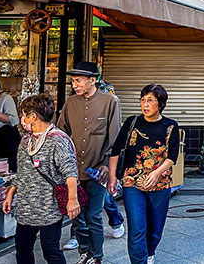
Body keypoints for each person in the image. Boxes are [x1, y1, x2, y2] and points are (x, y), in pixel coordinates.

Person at [57, 62, 122, 264]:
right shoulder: (70, 103)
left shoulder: (110, 101)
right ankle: (84, 252)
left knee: (93, 215)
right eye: (73, 81)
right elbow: (61, 134)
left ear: (92, 80)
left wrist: (107, 166)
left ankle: (97, 256)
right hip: (73, 171)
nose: (74, 84)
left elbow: (115, 138)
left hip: (98, 170)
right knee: (76, 216)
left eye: (78, 80)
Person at [3, 93, 80, 264]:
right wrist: (10, 194)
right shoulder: (25, 140)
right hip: (26, 206)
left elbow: (70, 172)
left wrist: (72, 200)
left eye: (24, 114)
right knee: (22, 250)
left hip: (49, 207)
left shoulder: (58, 140)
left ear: (32, 116)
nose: (22, 118)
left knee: (51, 250)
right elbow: (22, 172)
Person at [108, 84, 180, 264]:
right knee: (136, 227)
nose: (145, 104)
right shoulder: (132, 122)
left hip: (160, 183)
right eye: (143, 100)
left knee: (155, 228)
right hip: (132, 183)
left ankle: (149, 252)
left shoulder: (170, 126)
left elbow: (172, 156)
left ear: (160, 104)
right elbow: (116, 150)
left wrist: (156, 173)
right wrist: (112, 177)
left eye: (150, 100)